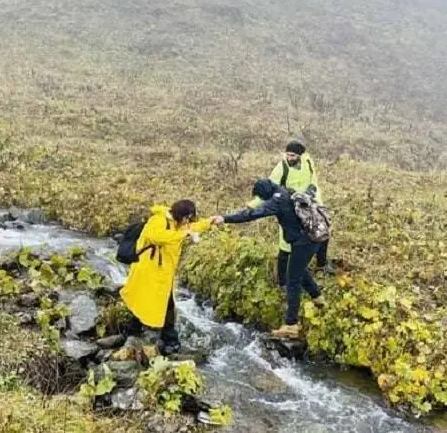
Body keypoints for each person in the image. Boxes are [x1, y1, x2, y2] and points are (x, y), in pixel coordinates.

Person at [213, 179, 325, 339]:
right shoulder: (287, 191)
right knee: (298, 269)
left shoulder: (277, 200)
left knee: (293, 280)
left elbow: (252, 214)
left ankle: (291, 325)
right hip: (314, 237)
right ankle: (317, 297)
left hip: (304, 241)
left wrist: (225, 218)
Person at [120, 200, 212, 354]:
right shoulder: (158, 220)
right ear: (180, 215)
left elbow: (192, 228)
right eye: (187, 218)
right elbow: (157, 236)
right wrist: (184, 234)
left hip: (161, 272)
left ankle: (133, 329)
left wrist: (210, 222)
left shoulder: (177, 224)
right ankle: (170, 339)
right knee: (165, 303)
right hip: (148, 270)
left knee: (147, 298)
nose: (187, 222)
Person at [248, 139, 334, 289]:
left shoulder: (308, 162)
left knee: (322, 231)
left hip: (309, 202)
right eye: (287, 155)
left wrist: (313, 192)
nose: (289, 158)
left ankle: (321, 264)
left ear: (301, 155)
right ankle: (282, 282)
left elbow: (313, 180)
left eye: (293, 155)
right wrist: (253, 205)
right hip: (289, 207)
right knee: (285, 245)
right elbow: (268, 187)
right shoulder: (281, 167)